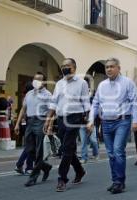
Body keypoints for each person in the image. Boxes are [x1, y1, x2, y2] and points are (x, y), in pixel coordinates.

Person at [87, 58, 137, 194]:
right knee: (110, 154)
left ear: (118, 68)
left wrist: (135, 121)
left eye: (111, 66)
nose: (109, 69)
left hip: (122, 121)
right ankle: (115, 180)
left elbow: (135, 102)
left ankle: (119, 182)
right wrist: (91, 120)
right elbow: (95, 103)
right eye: (107, 67)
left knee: (117, 151)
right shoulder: (102, 85)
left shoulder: (128, 83)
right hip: (106, 122)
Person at [44, 58, 90, 192]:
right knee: (66, 149)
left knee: (67, 148)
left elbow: (86, 103)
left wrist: (89, 121)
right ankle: (80, 170)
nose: (64, 67)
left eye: (67, 65)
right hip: (61, 118)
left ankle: (62, 179)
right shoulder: (59, 83)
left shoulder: (82, 83)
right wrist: (48, 120)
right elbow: (53, 102)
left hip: (75, 118)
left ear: (74, 68)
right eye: (63, 65)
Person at [14, 72, 53, 187]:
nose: (37, 81)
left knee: (39, 150)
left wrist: (48, 124)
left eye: (40, 79)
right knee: (29, 149)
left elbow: (51, 110)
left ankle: (33, 177)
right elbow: (23, 109)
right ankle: (46, 167)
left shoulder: (47, 95)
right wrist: (17, 124)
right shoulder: (29, 94)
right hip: (29, 122)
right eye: (35, 79)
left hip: (41, 121)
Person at [14, 82, 34, 175]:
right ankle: (25, 166)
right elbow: (24, 111)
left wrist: (18, 124)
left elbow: (22, 111)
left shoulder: (26, 97)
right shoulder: (30, 97)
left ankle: (25, 166)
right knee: (30, 146)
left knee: (30, 145)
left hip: (26, 123)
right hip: (30, 122)